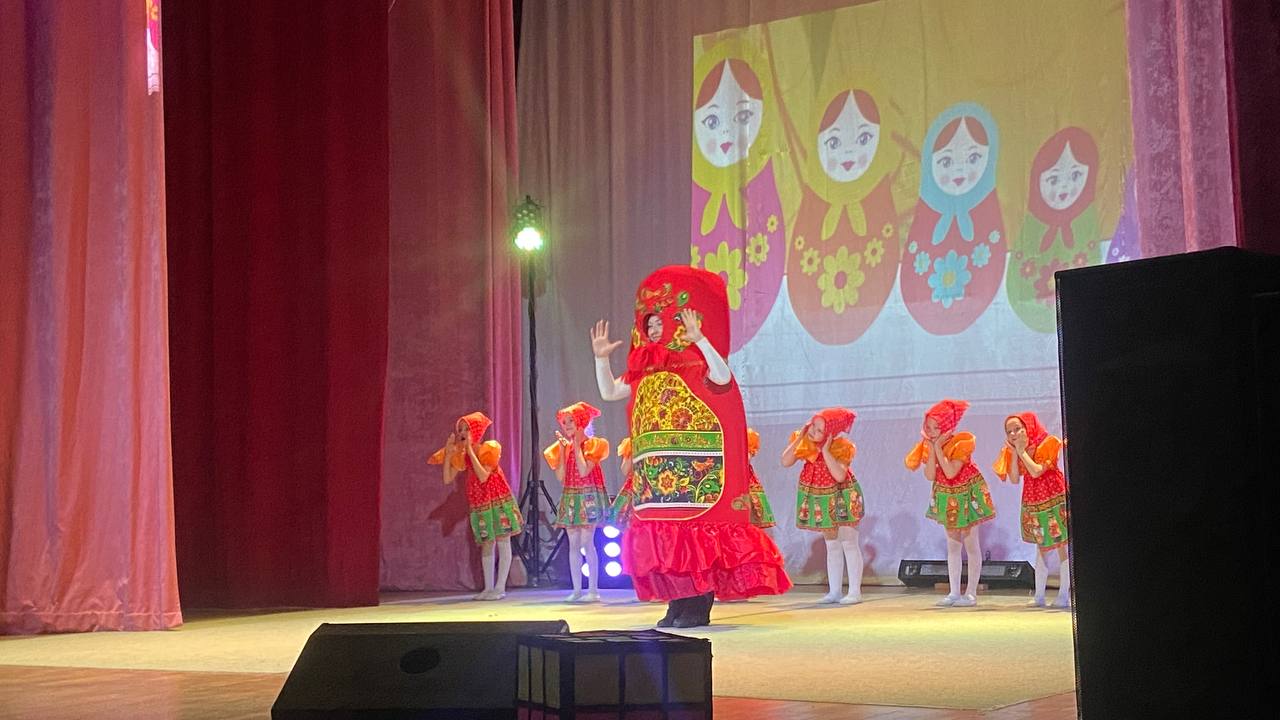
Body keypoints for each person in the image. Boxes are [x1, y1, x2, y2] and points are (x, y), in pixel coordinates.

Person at [591, 265, 791, 627]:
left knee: (696, 535)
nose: (655, 329)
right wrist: (601, 358)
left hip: (695, 469)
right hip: (659, 476)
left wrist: (700, 339)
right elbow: (609, 392)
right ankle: (677, 603)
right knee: (669, 541)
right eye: (649, 324)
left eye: (660, 322)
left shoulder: (695, 364)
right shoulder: (643, 373)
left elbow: (722, 377)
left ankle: (698, 605)